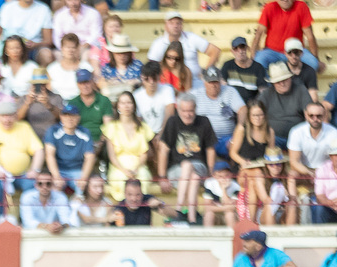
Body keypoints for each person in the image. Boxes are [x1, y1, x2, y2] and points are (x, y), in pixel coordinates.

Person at [157, 95, 217, 225]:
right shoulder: (172, 122)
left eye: (190, 111)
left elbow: (210, 149)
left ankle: (178, 210)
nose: (187, 114)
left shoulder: (204, 121)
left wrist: (211, 172)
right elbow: (163, 150)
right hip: (175, 170)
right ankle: (192, 218)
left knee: (188, 166)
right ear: (178, 110)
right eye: (184, 111)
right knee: (193, 176)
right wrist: (162, 177)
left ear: (195, 109)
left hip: (199, 165)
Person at [0, 99, 45, 198]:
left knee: (32, 184)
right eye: (3, 116)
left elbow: (39, 150)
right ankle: (0, 214)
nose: (7, 120)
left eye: (10, 116)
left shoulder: (24, 127)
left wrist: (34, 170)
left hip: (22, 174)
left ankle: (25, 213)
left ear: (16, 116)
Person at [101, 91, 154, 202]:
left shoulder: (142, 127)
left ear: (134, 105)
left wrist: (135, 169)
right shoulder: (111, 127)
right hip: (118, 166)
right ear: (118, 106)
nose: (126, 106)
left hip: (138, 166)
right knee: (120, 179)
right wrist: (125, 171)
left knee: (143, 177)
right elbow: (112, 156)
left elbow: (144, 154)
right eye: (123, 103)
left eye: (129, 102)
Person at [147, 10, 219, 84]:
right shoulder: (158, 43)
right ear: (165, 25)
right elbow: (152, 66)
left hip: (195, 82)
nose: (175, 26)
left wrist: (206, 72)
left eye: (178, 23)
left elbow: (215, 51)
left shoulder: (192, 37)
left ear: (182, 25)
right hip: (168, 84)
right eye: (171, 23)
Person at [252, 0, 322, 72]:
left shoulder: (301, 7)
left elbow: (310, 36)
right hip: (272, 52)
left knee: (313, 64)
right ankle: (268, 83)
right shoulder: (269, 8)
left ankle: (299, 82)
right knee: (258, 63)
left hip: (295, 51)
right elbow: (258, 34)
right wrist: (252, 56)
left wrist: (316, 58)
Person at [193, 66, 246, 155]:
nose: (213, 85)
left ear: (220, 81)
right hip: (203, 138)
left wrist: (240, 127)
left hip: (226, 138)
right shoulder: (195, 94)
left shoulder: (230, 91)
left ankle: (233, 167)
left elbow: (243, 109)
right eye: (210, 82)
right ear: (205, 82)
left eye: (216, 82)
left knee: (236, 143)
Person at [44, 103, 94, 194]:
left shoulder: (85, 132)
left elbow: (90, 157)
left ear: (78, 118)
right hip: (59, 169)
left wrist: (83, 178)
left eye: (73, 116)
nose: (69, 119)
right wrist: (56, 176)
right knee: (55, 191)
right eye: (66, 115)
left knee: (82, 191)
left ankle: (78, 204)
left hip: (77, 170)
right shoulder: (53, 130)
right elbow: (49, 155)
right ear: (61, 117)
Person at [258, 61, 310, 148]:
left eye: (285, 80)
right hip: (273, 138)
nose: (282, 84)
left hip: (298, 137)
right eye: (278, 81)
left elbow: (309, 113)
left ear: (290, 78)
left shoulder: (300, 90)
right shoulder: (266, 93)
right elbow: (255, 112)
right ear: (273, 83)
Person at [227, 229, 297, 267]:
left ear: (258, 246)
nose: (244, 244)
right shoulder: (240, 258)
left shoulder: (275, 253)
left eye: (248, 241)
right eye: (244, 241)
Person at [221, 37, 266, 105]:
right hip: (231, 104)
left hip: (251, 106)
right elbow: (222, 86)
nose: (240, 51)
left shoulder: (258, 67)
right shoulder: (227, 66)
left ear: (247, 48)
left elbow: (262, 91)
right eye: (236, 48)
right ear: (232, 51)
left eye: (242, 47)